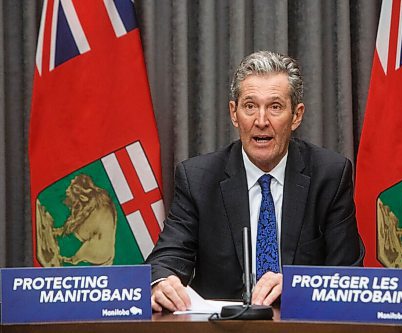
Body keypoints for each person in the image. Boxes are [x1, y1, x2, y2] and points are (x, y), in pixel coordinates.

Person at [146, 50, 364, 312]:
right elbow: (167, 257)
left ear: (296, 116)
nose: (261, 121)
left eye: (275, 107)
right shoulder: (198, 178)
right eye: (250, 106)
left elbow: (350, 276)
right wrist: (161, 282)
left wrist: (297, 287)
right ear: (234, 113)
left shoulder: (329, 175)